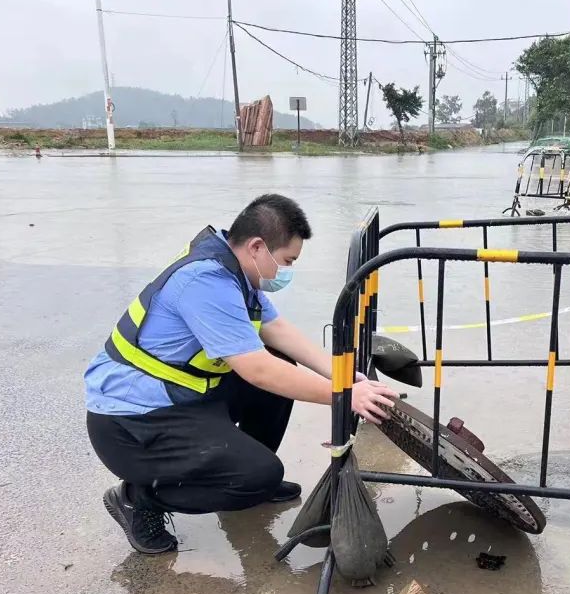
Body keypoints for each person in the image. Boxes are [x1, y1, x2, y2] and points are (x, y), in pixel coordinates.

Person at [84, 193, 398, 554]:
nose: (286, 271)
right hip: (132, 423)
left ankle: (246, 469)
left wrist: (346, 376)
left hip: (183, 399)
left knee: (280, 360)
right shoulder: (206, 281)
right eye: (287, 261)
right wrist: (343, 396)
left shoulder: (235, 271)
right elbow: (257, 370)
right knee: (259, 472)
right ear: (257, 247)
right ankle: (138, 498)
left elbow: (277, 330)